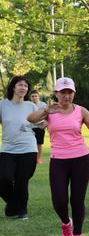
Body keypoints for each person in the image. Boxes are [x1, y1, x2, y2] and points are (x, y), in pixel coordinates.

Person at [27, 77, 89, 236]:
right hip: (58, 161)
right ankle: (66, 223)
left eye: (69, 92)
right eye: (63, 92)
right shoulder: (50, 111)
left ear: (74, 94)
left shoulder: (81, 111)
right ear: (56, 93)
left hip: (80, 160)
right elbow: (31, 119)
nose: (66, 96)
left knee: (77, 199)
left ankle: (78, 234)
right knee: (59, 200)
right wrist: (46, 110)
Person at [1, 76, 38, 220]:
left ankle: (22, 210)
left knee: (22, 180)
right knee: (3, 178)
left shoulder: (31, 106)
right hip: (8, 149)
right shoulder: (3, 105)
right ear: (13, 87)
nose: (23, 88)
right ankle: (14, 205)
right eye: (20, 85)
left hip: (28, 148)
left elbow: (40, 123)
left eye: (26, 86)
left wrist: (46, 121)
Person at [29, 90, 48, 164]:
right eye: (32, 96)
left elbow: (47, 115)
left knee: (39, 143)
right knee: (31, 143)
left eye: (35, 96)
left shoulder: (43, 105)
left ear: (38, 96)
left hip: (40, 126)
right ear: (30, 97)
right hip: (31, 127)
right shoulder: (28, 105)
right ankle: (32, 158)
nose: (34, 97)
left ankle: (38, 159)